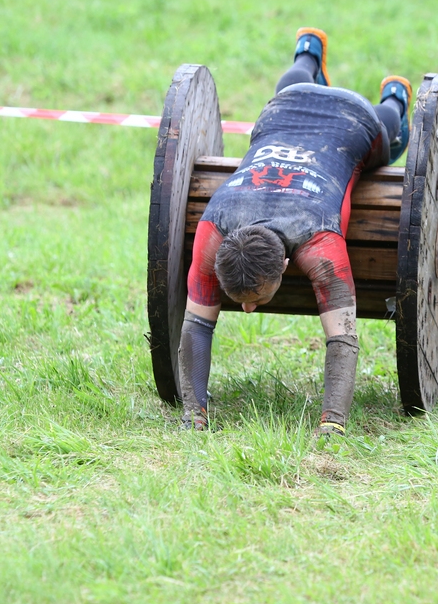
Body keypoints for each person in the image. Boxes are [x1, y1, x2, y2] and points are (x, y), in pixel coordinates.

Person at [177, 27, 413, 437]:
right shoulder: (214, 231)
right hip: (283, 107)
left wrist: (334, 422)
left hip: (353, 118)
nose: (248, 310)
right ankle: (308, 54)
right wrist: (193, 415)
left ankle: (395, 96)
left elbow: (344, 340)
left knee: (391, 141)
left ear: (287, 264)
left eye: (255, 299)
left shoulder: (320, 243)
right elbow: (195, 326)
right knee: (287, 90)